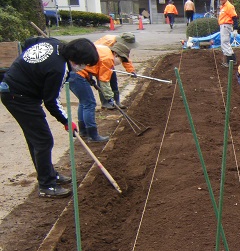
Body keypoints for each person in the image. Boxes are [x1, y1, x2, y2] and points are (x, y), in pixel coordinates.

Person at [0, 37, 99, 198]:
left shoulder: (55, 44)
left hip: (17, 90)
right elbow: (51, 101)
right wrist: (66, 121)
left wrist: (29, 64)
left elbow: (30, 41)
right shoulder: (57, 69)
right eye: (84, 64)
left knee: (36, 139)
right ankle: (47, 185)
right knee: (43, 140)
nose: (84, 67)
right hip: (18, 97)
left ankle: (49, 174)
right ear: (75, 60)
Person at [71, 42, 131, 141]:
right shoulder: (108, 59)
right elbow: (104, 81)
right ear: (116, 54)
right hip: (78, 74)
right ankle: (92, 135)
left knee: (84, 102)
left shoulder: (105, 50)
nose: (120, 62)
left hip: (75, 73)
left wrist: (89, 77)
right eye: (121, 59)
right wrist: (110, 98)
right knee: (90, 103)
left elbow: (91, 66)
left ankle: (83, 131)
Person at [94, 32, 137, 109]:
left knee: (113, 80)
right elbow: (102, 56)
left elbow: (124, 57)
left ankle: (116, 102)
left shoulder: (122, 46)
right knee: (103, 80)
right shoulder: (108, 41)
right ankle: (105, 103)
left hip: (109, 61)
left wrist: (131, 70)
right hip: (100, 62)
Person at [217, 0, 238, 67]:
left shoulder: (229, 6)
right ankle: (233, 60)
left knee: (225, 42)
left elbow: (234, 17)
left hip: (226, 25)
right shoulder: (223, 6)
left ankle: (230, 62)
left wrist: (235, 28)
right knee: (225, 43)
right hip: (223, 26)